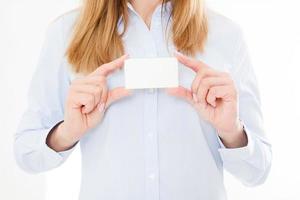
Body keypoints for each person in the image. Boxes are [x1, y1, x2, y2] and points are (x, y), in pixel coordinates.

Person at [14, 0, 272, 199]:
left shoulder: (226, 35)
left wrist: (232, 132)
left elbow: (258, 171)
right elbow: (26, 153)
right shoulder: (66, 33)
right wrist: (67, 132)